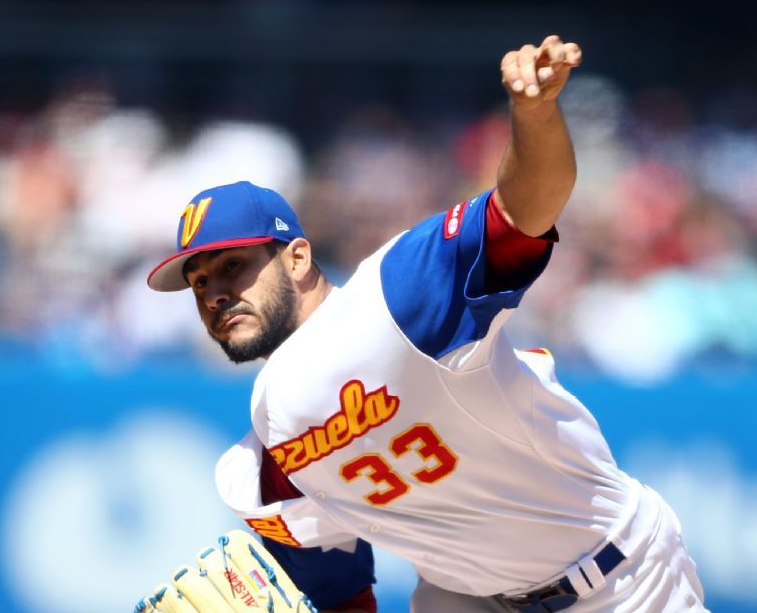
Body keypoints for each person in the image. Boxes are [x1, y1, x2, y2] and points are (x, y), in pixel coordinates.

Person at [146, 36, 707, 613]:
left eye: (233, 266)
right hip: (463, 600)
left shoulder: (393, 297)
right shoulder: (270, 437)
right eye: (199, 283)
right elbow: (337, 585)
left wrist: (533, 115)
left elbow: (523, 214)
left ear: (297, 257)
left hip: (619, 580)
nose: (215, 293)